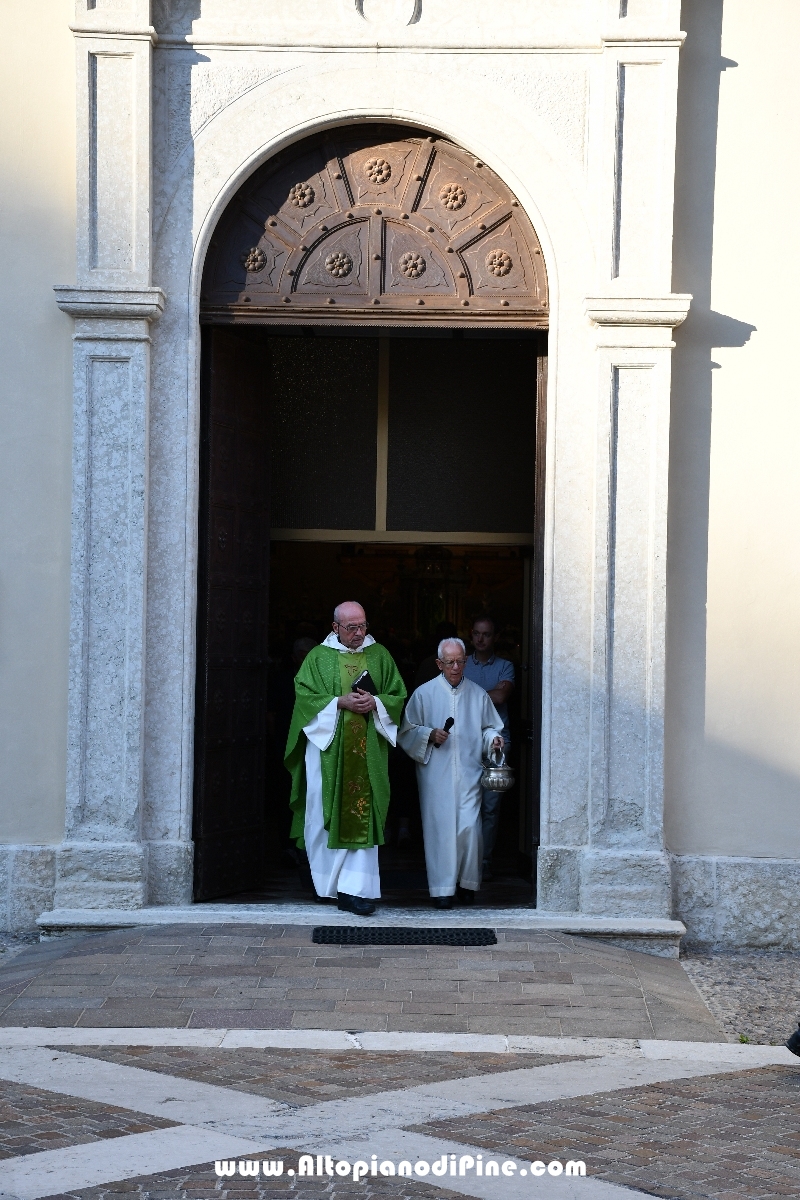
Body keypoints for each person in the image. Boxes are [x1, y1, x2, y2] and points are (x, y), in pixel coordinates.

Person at [284, 601, 406, 916]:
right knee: (321, 811)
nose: (358, 633)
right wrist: (338, 702)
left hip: (367, 755)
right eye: (351, 627)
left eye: (362, 626)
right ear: (335, 627)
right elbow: (304, 699)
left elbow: (397, 695)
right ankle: (325, 885)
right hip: (327, 752)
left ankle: (356, 890)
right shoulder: (317, 657)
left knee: (362, 812)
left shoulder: (379, 656)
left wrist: (375, 703)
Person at [398, 638, 503, 908]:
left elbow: (489, 727)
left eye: (460, 661)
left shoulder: (478, 694)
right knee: (440, 830)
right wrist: (429, 734)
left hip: (469, 774)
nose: (456, 667)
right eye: (450, 662)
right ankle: (442, 890)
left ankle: (467, 884)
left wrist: (493, 740)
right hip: (435, 776)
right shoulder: (423, 694)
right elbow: (407, 732)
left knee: (470, 828)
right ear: (438, 664)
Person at [463, 616, 515, 880]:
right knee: (466, 803)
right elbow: (492, 695)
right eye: (477, 633)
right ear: (471, 635)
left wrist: (470, 694)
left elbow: (502, 696)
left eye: (486, 634)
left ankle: (484, 861)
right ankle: (466, 859)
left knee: (491, 807)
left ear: (494, 637)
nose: (481, 639)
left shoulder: (505, 666)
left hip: (498, 746)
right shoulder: (461, 665)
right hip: (466, 743)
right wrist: (488, 693)